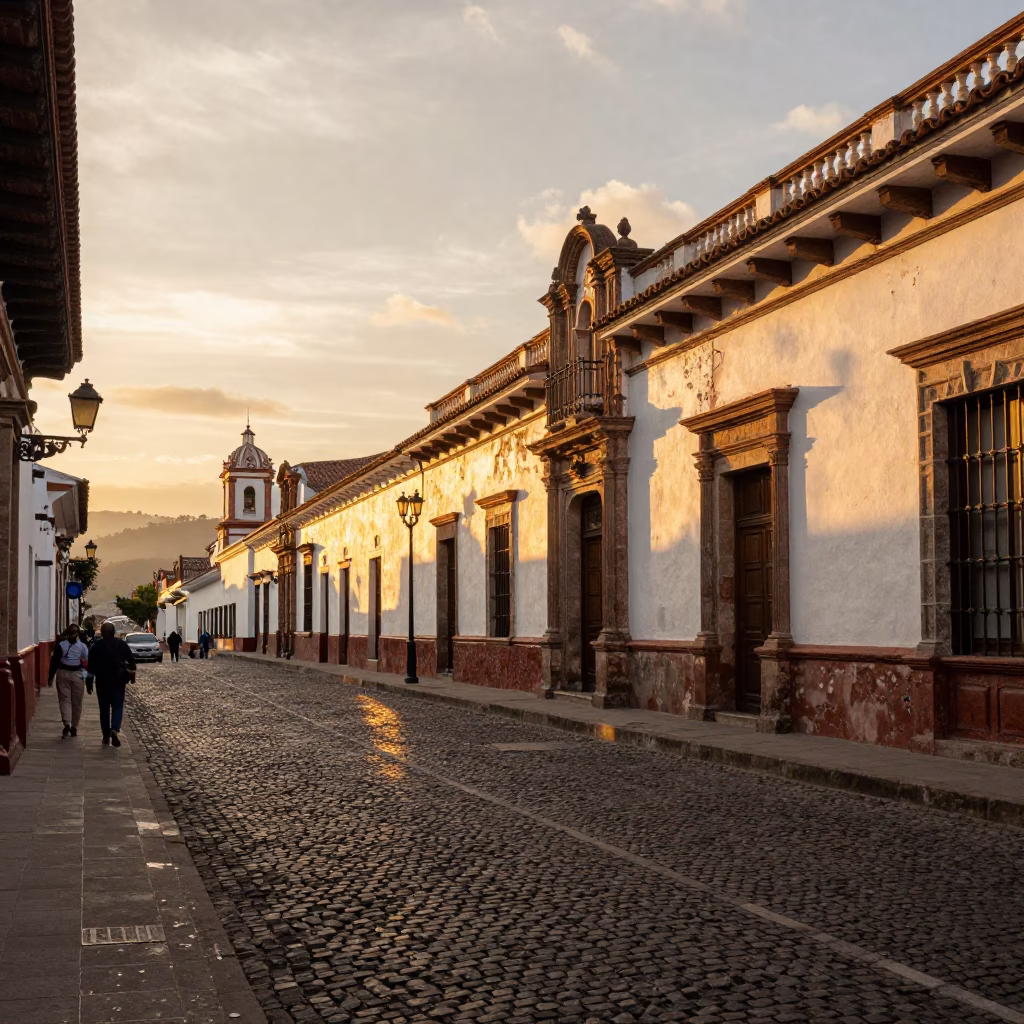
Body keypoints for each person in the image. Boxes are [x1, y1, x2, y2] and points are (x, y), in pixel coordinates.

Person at [87, 621, 136, 747]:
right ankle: (114, 729)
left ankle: (105, 735)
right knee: (118, 706)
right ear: (114, 632)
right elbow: (131, 660)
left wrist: (89, 682)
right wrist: (130, 671)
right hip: (118, 680)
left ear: (102, 633)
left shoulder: (96, 646)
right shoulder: (121, 644)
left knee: (104, 709)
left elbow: (91, 666)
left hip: (102, 681)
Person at [47, 624, 89, 737]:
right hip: (77, 675)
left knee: (64, 700)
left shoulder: (61, 644)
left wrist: (50, 677)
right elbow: (85, 658)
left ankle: (67, 722)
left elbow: (55, 661)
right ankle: (74, 726)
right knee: (77, 702)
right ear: (78, 634)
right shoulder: (82, 646)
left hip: (63, 673)